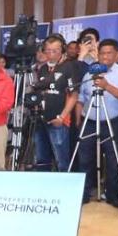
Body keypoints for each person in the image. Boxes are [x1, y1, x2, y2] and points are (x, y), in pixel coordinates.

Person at [77, 39, 118, 206]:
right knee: (84, 158)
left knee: (113, 159)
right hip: (89, 120)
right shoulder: (90, 72)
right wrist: (78, 120)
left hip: (113, 121)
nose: (105, 56)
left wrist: (106, 85)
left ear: (117, 55)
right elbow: (82, 97)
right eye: (102, 53)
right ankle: (84, 193)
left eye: (109, 53)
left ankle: (113, 195)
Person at [32, 35, 81, 172]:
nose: (51, 54)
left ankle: (64, 190)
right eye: (48, 50)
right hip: (41, 120)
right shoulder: (42, 69)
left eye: (55, 50)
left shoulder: (69, 67)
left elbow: (73, 95)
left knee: (61, 160)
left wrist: (62, 117)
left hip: (59, 121)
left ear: (62, 50)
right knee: (41, 159)